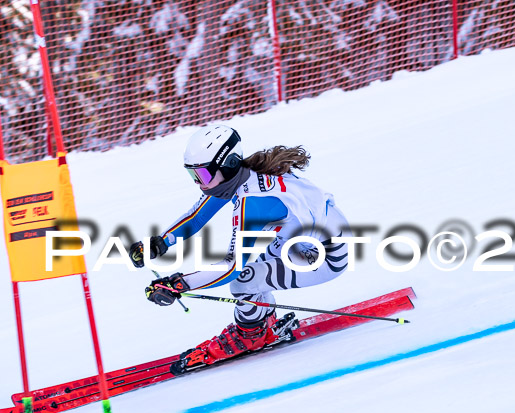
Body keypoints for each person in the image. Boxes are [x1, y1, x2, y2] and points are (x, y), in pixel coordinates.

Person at [129, 124, 350, 373]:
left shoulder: (253, 200)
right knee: (252, 276)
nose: (200, 184)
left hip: (325, 256)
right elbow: (197, 217)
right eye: (195, 176)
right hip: (302, 239)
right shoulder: (240, 176)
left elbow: (232, 267)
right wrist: (160, 243)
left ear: (226, 164)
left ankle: (250, 336)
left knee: (243, 282)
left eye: (203, 175)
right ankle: (262, 321)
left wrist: (179, 284)